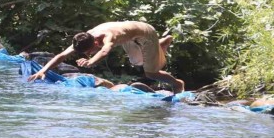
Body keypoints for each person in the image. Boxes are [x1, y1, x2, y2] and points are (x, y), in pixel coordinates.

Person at [28, 21, 184, 92]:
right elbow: (61, 55)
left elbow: (104, 51)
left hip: (146, 33)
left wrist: (90, 61)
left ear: (97, 41)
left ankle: (177, 84)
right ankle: (160, 45)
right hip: (131, 36)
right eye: (87, 53)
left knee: (151, 73)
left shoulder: (109, 36)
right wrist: (43, 71)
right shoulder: (84, 38)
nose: (88, 53)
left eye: (90, 51)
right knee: (137, 62)